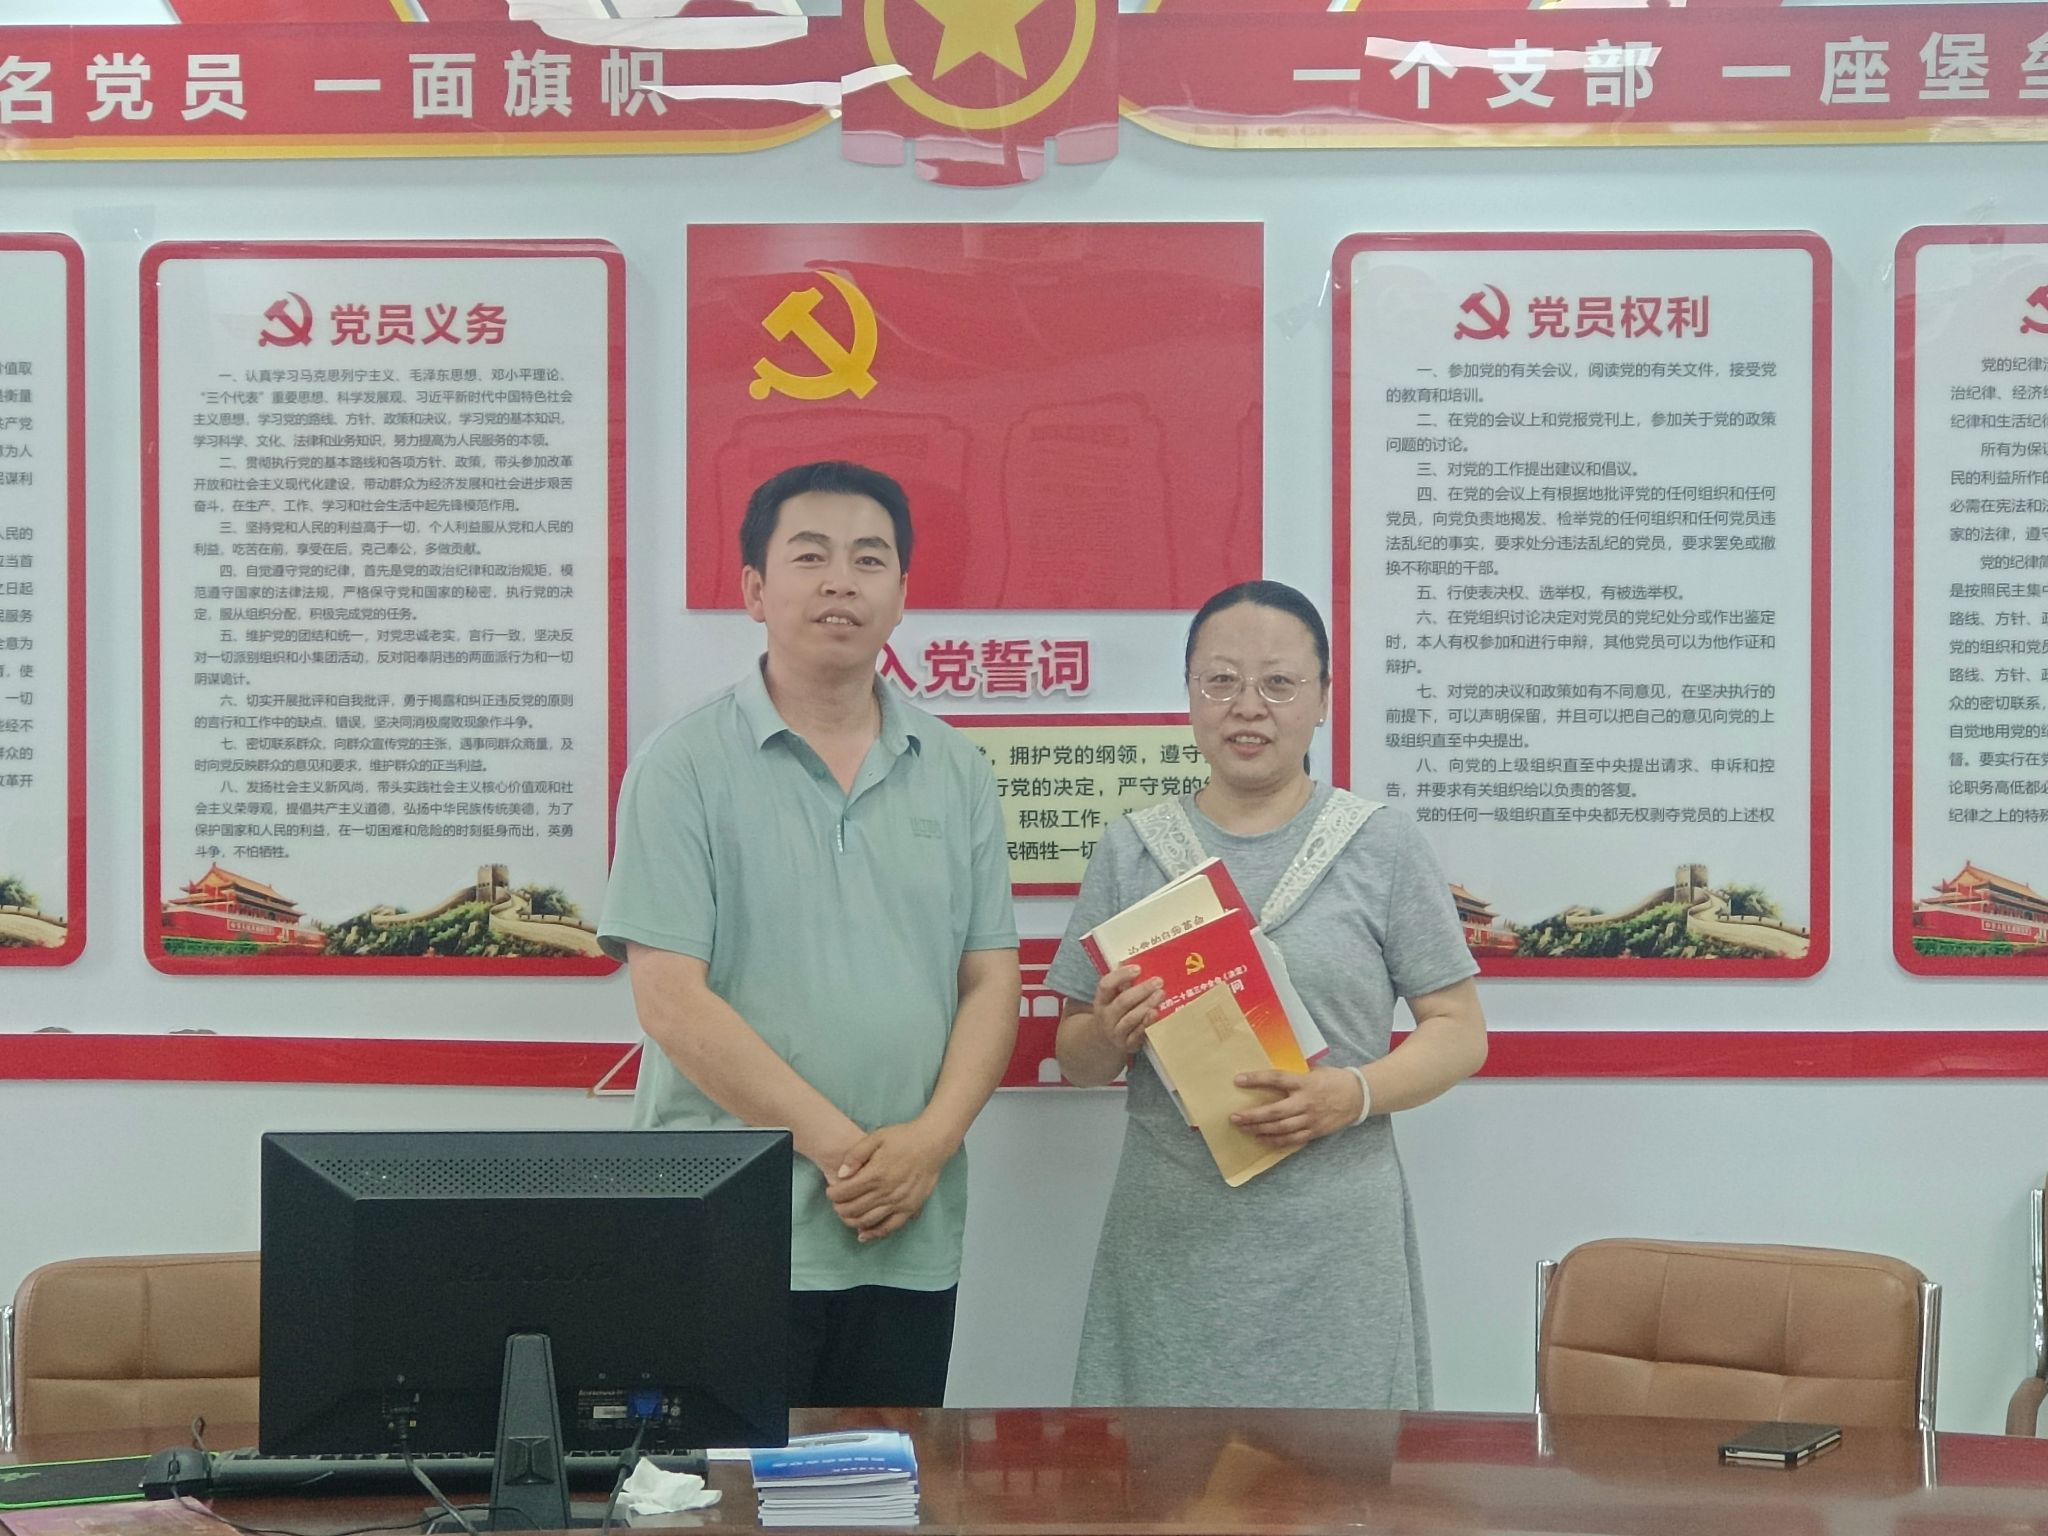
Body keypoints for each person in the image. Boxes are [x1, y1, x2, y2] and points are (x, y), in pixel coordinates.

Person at [599, 461, 1020, 1408]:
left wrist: (928, 1145)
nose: (842, 581)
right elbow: (669, 999)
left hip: (903, 1225)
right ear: (755, 590)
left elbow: (991, 981)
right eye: (811, 555)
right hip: (727, 1226)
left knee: (886, 1476)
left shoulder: (954, 769)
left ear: (902, 593)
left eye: (869, 559)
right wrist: (842, 1150)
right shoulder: (683, 766)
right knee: (718, 1482)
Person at [1047, 579, 1486, 1409]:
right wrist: (1108, 1031)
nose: (1248, 707)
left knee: (1340, 1469)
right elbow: (1075, 1057)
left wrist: (1351, 1094)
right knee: (1162, 1473)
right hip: (1172, 1242)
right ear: (1189, 694)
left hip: (1335, 1248)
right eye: (1221, 680)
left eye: (1279, 683)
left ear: (1323, 699)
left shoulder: (1381, 844)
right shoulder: (1132, 850)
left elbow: (1460, 1029)